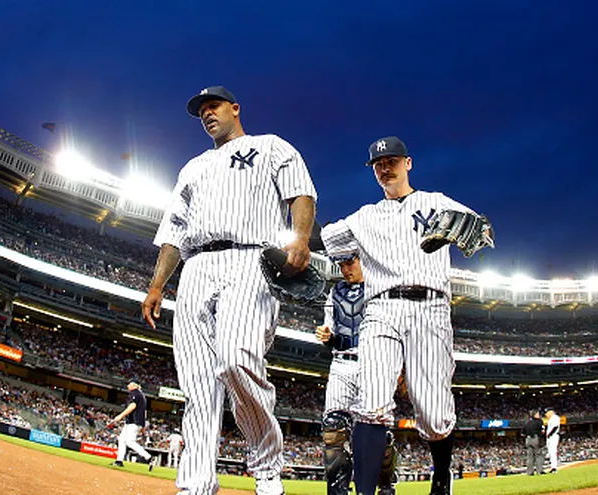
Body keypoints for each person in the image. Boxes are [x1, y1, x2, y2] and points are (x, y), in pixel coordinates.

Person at [142, 85, 317, 495]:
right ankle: (196, 484)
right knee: (199, 386)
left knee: (236, 359)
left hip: (250, 259)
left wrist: (301, 238)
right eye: (201, 110)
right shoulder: (192, 168)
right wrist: (155, 286)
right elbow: (173, 231)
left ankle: (267, 465)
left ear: (235, 108)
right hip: (195, 267)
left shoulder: (270, 146)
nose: (207, 114)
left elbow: (301, 193)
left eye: (213, 106)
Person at [321, 136, 490, 495]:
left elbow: (480, 229)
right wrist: (294, 244)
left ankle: (441, 476)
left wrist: (464, 230)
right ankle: (367, 491)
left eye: (392, 160)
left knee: (433, 413)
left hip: (430, 307)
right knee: (372, 403)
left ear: (408, 163)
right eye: (378, 163)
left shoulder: (436, 202)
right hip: (381, 308)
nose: (385, 167)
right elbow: (323, 240)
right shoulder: (363, 217)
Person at [315, 255, 398, 495]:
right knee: (333, 428)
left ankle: (385, 483)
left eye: (350, 263)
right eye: (341, 265)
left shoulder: (382, 286)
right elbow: (331, 329)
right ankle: (337, 490)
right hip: (341, 362)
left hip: (374, 364)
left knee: (380, 432)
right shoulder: (335, 292)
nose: (345, 270)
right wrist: (326, 335)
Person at [108, 379, 154, 471]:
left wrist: (120, 416)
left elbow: (132, 406)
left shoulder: (135, 393)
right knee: (122, 440)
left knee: (130, 441)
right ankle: (119, 461)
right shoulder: (142, 395)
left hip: (134, 421)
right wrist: (143, 426)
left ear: (135, 385)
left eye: (129, 384)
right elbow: (144, 412)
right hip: (135, 421)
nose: (128, 386)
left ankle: (148, 456)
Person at [522, 410, 545, 475]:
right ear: (535, 414)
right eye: (538, 414)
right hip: (535, 438)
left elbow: (522, 433)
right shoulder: (539, 421)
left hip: (528, 439)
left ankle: (530, 472)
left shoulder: (527, 422)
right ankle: (539, 471)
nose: (539, 415)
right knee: (538, 455)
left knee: (530, 456)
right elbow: (543, 431)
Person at [544, 408, 560, 473]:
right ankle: (553, 467)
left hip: (553, 436)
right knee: (551, 452)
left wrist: (549, 434)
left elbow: (555, 427)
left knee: (553, 452)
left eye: (547, 413)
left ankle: (554, 468)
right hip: (550, 437)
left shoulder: (555, 417)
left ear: (551, 412)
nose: (546, 414)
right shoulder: (551, 419)